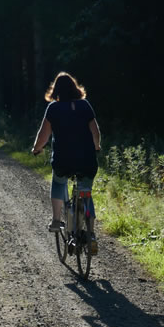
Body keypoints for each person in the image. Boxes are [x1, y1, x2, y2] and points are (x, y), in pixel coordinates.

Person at [31, 71, 101, 254]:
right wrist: (96, 146)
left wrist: (36, 149)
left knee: (59, 181)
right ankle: (91, 233)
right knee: (86, 191)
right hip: (86, 160)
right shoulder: (85, 106)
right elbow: (96, 132)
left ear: (56, 91)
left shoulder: (53, 108)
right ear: (74, 88)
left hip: (64, 160)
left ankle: (56, 220)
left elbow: (43, 136)